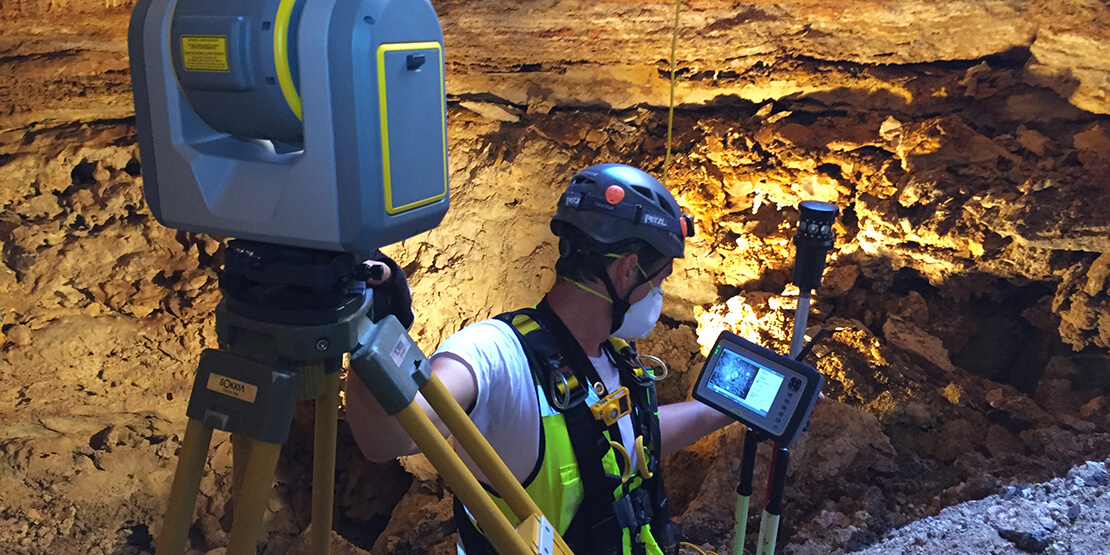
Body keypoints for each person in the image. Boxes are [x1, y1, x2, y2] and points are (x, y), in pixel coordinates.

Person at [346, 163, 736, 555]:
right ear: (627, 271)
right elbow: (386, 438)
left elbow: (623, 439)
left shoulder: (612, 355)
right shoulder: (496, 354)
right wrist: (374, 322)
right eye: (659, 278)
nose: (658, 293)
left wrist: (717, 410)